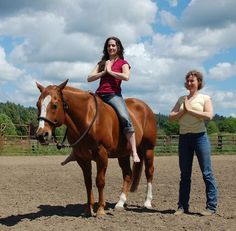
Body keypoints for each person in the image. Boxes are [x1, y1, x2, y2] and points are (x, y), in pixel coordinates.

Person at [61, 36, 140, 165]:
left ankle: (134, 151)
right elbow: (89, 78)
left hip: (113, 95)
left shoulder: (123, 63)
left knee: (125, 117)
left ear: (118, 47)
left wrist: (110, 71)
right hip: (98, 95)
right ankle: (76, 151)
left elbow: (126, 77)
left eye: (113, 45)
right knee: (78, 118)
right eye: (109, 46)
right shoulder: (101, 63)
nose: (111, 48)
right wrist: (103, 72)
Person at [169, 70, 218, 216]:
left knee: (207, 173)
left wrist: (190, 110)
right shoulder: (181, 99)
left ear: (199, 83)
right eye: (188, 81)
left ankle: (211, 207)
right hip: (184, 139)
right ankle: (182, 206)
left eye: (193, 81)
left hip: (200, 138)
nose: (190, 83)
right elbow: (171, 117)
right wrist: (181, 112)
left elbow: (209, 115)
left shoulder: (205, 98)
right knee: (185, 174)